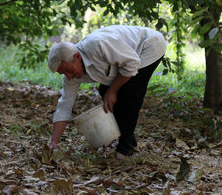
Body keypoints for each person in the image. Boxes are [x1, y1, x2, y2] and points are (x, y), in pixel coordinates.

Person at [47, 25, 167, 160]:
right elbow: (64, 106)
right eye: (63, 73)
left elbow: (132, 63)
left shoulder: (98, 45)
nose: (68, 76)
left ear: (77, 57)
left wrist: (113, 90)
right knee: (104, 91)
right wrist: (54, 143)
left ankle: (125, 149)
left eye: (68, 70)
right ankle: (128, 139)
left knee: (129, 93)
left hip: (149, 46)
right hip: (127, 59)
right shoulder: (71, 75)